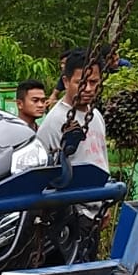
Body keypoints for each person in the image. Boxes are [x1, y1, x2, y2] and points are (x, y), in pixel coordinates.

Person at [35, 50, 110, 228]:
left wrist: (104, 203)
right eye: (81, 82)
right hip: (71, 215)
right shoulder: (55, 121)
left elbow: (100, 161)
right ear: (66, 82)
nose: (89, 89)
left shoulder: (95, 116)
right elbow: (43, 175)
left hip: (96, 211)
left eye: (94, 82)